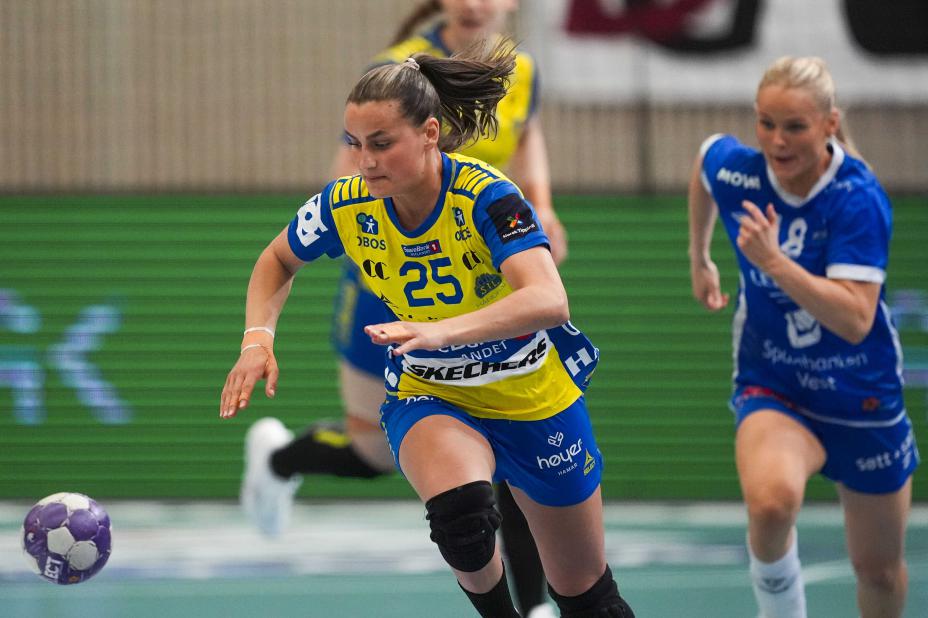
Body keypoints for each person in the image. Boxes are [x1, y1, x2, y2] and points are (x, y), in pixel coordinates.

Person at [221, 40, 634, 618]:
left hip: (532, 393)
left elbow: (549, 299)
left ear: (430, 134)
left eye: (381, 143)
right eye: (354, 143)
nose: (365, 161)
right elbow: (276, 260)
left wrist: (445, 331)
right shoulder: (346, 205)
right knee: (462, 516)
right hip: (432, 391)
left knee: (587, 596)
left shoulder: (488, 197)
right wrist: (257, 339)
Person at [687, 55, 919, 618]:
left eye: (794, 126)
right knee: (770, 506)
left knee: (879, 571)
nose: (776, 140)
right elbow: (704, 161)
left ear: (829, 124)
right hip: (776, 382)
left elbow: (855, 319)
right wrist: (699, 256)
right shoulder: (741, 173)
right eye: (766, 123)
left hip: (861, 396)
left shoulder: (857, 199)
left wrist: (774, 263)